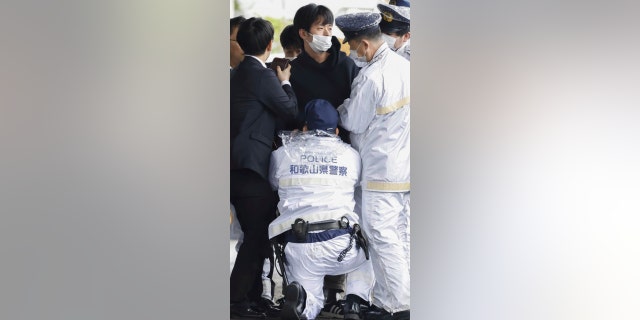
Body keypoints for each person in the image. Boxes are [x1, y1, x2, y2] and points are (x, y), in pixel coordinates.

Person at [269, 99, 374, 320]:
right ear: (336, 131)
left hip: (299, 244)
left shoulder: (282, 155)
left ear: (305, 128)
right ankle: (354, 301)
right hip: (341, 244)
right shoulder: (352, 156)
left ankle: (302, 305)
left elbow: (273, 184)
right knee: (371, 248)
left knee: (310, 300)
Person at [335, 12, 410, 320]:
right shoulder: (404, 66)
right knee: (401, 235)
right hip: (404, 166)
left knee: (381, 236)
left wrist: (340, 107)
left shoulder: (370, 76)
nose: (353, 53)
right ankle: (385, 301)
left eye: (354, 47)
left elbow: (353, 120)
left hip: (380, 171)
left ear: (364, 44)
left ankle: (401, 305)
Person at [230, 17, 298, 319]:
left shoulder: (237, 73)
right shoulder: (262, 75)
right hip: (250, 167)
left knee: (255, 233)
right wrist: (285, 80)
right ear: (270, 46)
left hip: (235, 165)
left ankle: (252, 299)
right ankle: (234, 299)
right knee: (258, 233)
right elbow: (291, 112)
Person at [286, 3, 360, 146]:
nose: (327, 33)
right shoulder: (292, 71)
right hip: (303, 148)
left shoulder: (347, 66)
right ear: (303, 33)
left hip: (343, 149)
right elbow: (289, 112)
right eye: (320, 28)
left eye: (330, 28)